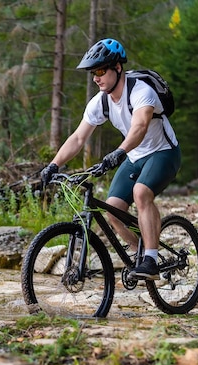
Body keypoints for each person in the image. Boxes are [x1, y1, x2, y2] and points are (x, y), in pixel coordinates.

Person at [40, 38, 181, 279]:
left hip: (163, 152)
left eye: (100, 70)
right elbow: (77, 138)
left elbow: (140, 127)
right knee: (113, 210)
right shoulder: (100, 101)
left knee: (141, 193)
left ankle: (151, 258)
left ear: (117, 68)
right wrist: (53, 165)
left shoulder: (140, 92)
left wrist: (118, 153)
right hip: (134, 155)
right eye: (93, 73)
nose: (96, 77)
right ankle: (140, 255)